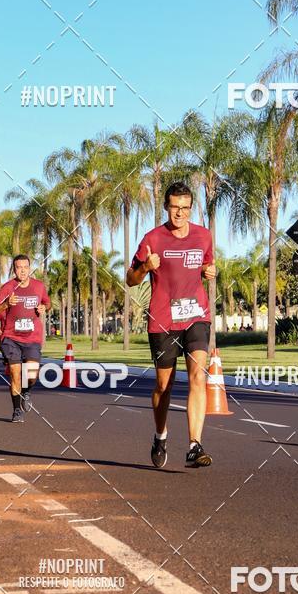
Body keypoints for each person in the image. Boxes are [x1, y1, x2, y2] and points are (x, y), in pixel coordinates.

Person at [126, 181, 216, 469]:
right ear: (166, 207)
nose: (180, 213)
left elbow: (206, 265)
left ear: (191, 208)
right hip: (163, 319)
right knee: (164, 385)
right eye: (175, 207)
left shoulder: (204, 236)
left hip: (196, 316)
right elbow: (131, 279)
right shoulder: (153, 238)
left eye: (185, 208)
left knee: (198, 378)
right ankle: (160, 435)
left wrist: (209, 270)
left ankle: (194, 445)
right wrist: (144, 267)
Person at [0, 255, 51, 422]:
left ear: (30, 268)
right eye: (19, 267)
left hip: (32, 337)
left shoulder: (38, 286)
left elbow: (47, 302)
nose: (22, 270)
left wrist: (43, 307)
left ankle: (26, 391)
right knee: (16, 374)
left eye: (25, 266)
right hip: (11, 337)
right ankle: (17, 410)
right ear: (14, 269)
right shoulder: (7, 287)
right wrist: (6, 304)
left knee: (31, 375)